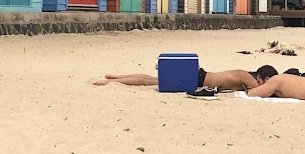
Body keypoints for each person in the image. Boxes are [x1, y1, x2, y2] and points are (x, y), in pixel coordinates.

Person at [94, 64, 278, 92]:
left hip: (199, 76)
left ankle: (116, 77)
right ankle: (113, 80)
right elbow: (259, 91)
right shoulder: (248, 78)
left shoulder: (243, 75)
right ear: (263, 77)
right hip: (197, 79)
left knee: (153, 79)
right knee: (152, 81)